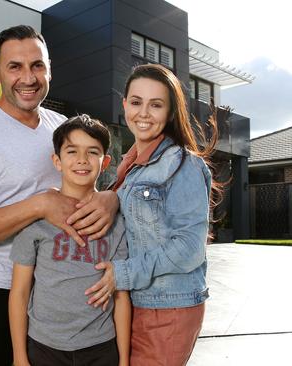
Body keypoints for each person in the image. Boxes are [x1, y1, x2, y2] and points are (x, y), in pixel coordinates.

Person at [0, 25, 119, 366]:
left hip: (57, 293)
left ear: (50, 69)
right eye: (15, 66)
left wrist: (111, 199)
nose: (28, 77)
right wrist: (40, 204)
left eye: (37, 65)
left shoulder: (63, 127)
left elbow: (91, 188)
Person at [85, 63, 221, 366]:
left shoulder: (182, 164)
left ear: (171, 112)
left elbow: (190, 248)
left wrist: (122, 274)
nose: (143, 113)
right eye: (136, 102)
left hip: (167, 307)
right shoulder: (130, 165)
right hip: (135, 304)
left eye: (155, 105)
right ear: (124, 105)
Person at [9, 115, 131, 366]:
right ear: (57, 161)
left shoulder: (117, 223)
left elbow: (121, 296)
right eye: (72, 151)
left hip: (101, 346)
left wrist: (124, 360)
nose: (82, 160)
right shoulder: (36, 220)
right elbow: (19, 292)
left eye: (92, 152)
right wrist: (20, 357)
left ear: (105, 162)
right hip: (44, 346)